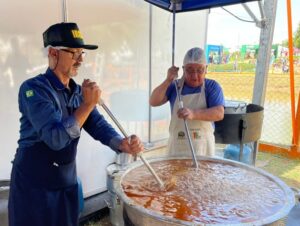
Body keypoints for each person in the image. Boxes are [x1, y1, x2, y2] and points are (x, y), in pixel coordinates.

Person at [8, 22, 144, 226]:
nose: (80, 59)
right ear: (53, 53)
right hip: (34, 186)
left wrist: (120, 143)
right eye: (73, 53)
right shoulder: (33, 90)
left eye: (82, 53)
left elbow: (97, 124)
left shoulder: (78, 92)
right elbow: (56, 138)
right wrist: (87, 104)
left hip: (65, 181)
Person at [150, 47, 224, 157]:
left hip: (203, 148)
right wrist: (168, 80)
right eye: (189, 70)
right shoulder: (174, 86)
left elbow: (219, 113)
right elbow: (153, 101)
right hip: (177, 147)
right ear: (183, 69)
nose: (194, 76)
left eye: (200, 70)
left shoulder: (212, 87)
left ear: (206, 69)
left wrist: (193, 114)